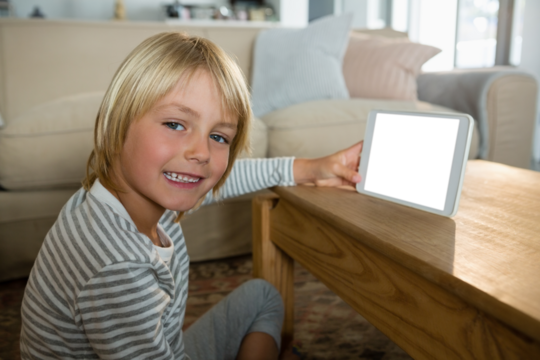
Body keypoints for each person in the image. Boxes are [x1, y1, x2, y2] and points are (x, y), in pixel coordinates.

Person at [19, 32, 363, 360]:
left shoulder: (122, 195)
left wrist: (311, 168)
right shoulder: (116, 266)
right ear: (117, 124)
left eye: (219, 136)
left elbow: (224, 180)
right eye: (175, 124)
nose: (201, 152)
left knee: (263, 296)